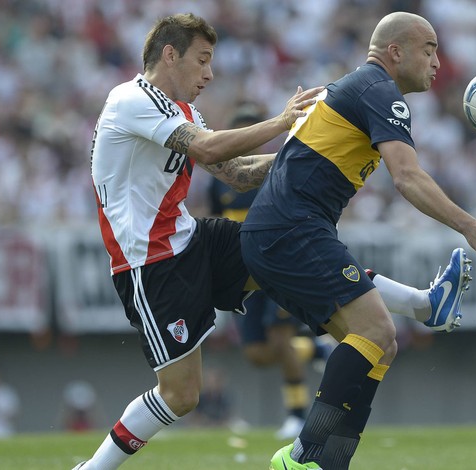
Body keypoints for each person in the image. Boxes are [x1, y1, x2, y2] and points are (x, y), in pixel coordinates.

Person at [240, 11, 476, 470]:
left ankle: (333, 462)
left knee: (382, 344)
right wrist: (470, 225)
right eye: (429, 49)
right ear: (395, 52)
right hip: (290, 228)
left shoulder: (356, 88)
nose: (438, 62)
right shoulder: (377, 90)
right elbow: (407, 177)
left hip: (281, 231)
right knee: (376, 330)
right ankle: (300, 458)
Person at [73, 13, 322, 470]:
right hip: (148, 261)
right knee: (182, 395)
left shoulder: (184, 111)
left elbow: (239, 174)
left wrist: (309, 151)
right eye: (202, 60)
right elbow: (209, 150)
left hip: (190, 239)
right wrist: (284, 121)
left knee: (282, 248)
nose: (210, 73)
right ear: (170, 55)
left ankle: (421, 303)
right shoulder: (130, 99)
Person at [209, 104, 332, 440]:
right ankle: (317, 349)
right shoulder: (220, 180)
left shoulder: (276, 172)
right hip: (241, 271)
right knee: (258, 354)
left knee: (280, 339)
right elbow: (215, 221)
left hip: (275, 264)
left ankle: (297, 415)